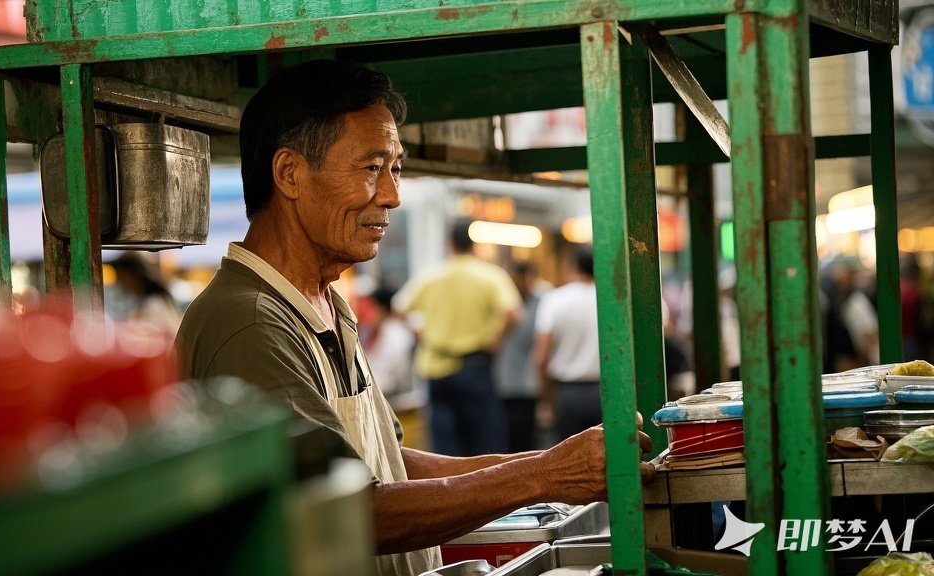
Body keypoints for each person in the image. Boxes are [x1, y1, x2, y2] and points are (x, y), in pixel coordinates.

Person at [175, 60, 654, 576]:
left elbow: (391, 466)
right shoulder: (249, 322)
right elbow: (352, 511)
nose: (392, 195)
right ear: (290, 173)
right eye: (369, 168)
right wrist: (541, 475)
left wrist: (558, 467)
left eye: (395, 168)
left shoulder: (323, 304)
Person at [394, 219, 518, 456]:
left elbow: (399, 309)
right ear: (473, 244)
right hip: (475, 364)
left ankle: (450, 487)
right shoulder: (490, 275)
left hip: (435, 364)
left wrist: (422, 334)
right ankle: (486, 488)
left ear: (449, 244)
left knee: (444, 441)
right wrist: (495, 340)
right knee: (483, 439)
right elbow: (513, 313)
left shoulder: (431, 276)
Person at [534, 247, 602, 442]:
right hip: (607, 391)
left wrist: (546, 399)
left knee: (569, 459)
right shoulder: (611, 300)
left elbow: (541, 357)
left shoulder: (554, 300)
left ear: (573, 267)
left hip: (567, 394)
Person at [494, 260, 544, 452]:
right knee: (507, 439)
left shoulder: (542, 302)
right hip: (504, 382)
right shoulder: (503, 303)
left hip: (530, 383)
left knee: (528, 440)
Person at [111, 252, 183, 337]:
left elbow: (152, 338)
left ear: (132, 276)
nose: (119, 282)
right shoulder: (144, 301)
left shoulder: (154, 303)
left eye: (120, 277)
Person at [364, 285, 416, 397]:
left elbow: (397, 378)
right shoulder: (367, 332)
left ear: (381, 310)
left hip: (394, 400)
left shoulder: (398, 336)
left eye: (368, 308)